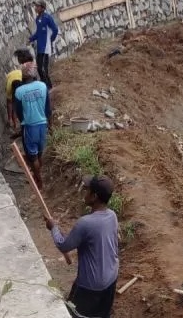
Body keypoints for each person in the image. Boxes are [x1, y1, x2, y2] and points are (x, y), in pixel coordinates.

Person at [46, 175, 119, 318]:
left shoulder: (85, 223)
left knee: (75, 313)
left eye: (87, 190)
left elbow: (63, 245)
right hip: (111, 277)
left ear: (94, 196)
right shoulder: (112, 215)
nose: (84, 193)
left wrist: (53, 227)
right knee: (102, 314)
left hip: (91, 285)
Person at [14, 62, 51, 188]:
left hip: (29, 126)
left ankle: (38, 181)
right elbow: (48, 108)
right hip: (43, 124)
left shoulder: (19, 91)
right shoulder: (43, 86)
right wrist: (49, 124)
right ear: (34, 74)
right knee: (39, 152)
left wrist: (24, 122)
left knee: (32, 156)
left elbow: (18, 112)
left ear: (23, 76)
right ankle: (39, 174)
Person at [29, 0, 59, 89]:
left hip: (46, 47)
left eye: (37, 6)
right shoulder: (37, 19)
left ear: (42, 8)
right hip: (39, 47)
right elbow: (38, 33)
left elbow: (55, 30)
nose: (35, 8)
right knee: (39, 69)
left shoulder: (47, 18)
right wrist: (30, 39)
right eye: (35, 6)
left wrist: (51, 40)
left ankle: (49, 87)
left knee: (44, 69)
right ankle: (44, 86)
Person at [6, 48, 35, 131]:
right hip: (14, 78)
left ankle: (21, 124)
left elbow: (15, 104)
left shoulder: (26, 71)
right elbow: (10, 102)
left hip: (24, 80)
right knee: (13, 103)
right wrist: (11, 120)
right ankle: (13, 122)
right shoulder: (9, 86)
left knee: (22, 104)